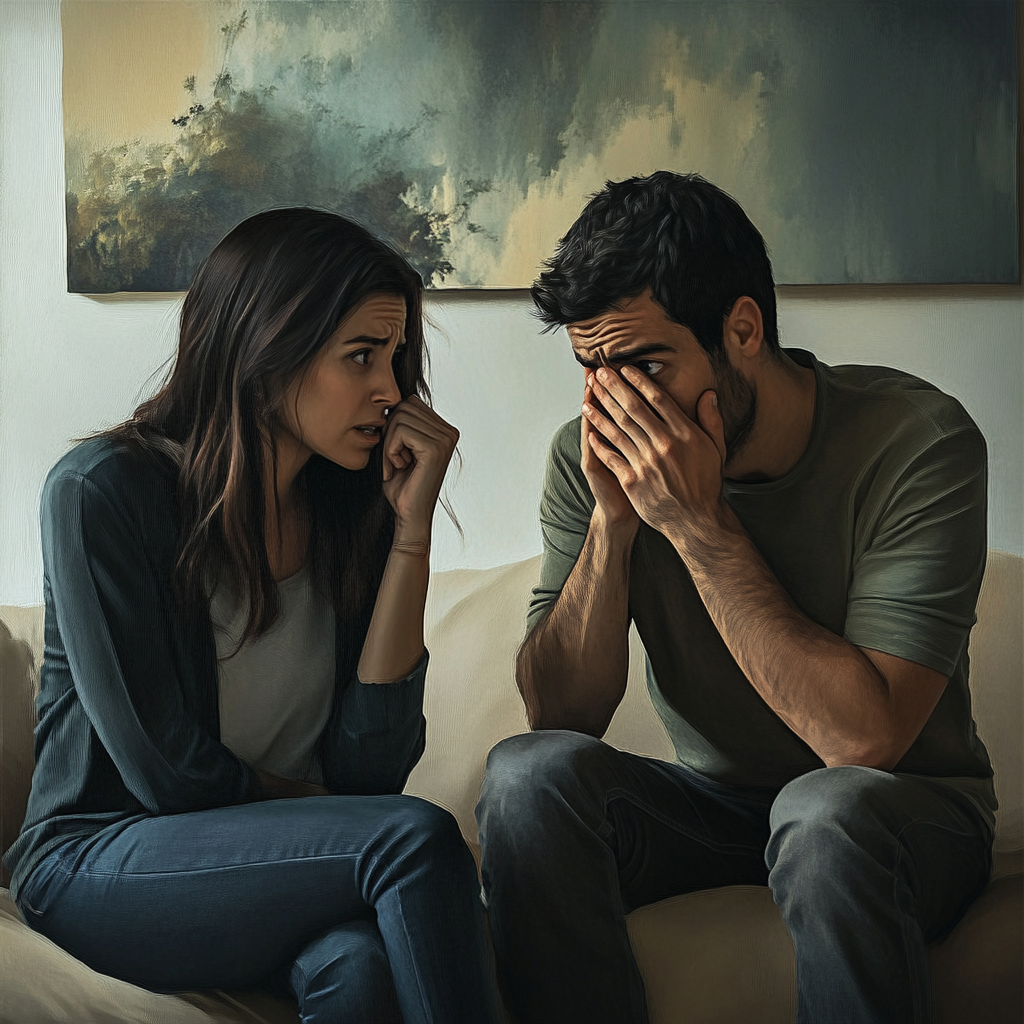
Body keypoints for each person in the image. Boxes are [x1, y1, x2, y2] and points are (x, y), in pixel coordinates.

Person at [476, 171, 995, 1024]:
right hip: (714, 806)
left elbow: (862, 740)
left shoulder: (917, 442)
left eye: (646, 364)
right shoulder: (587, 456)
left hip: (901, 810)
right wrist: (614, 527)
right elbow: (561, 715)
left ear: (742, 328)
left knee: (825, 814)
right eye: (592, 370)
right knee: (526, 777)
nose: (621, 404)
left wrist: (701, 527)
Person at [4, 208, 500, 1024]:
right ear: (266, 354)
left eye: (398, 357)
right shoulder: (101, 493)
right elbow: (167, 774)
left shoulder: (355, 509)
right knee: (411, 839)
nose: (392, 390)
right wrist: (323, 807)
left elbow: (370, 773)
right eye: (363, 357)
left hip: (271, 871)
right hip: (99, 860)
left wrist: (410, 534)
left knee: (360, 968)